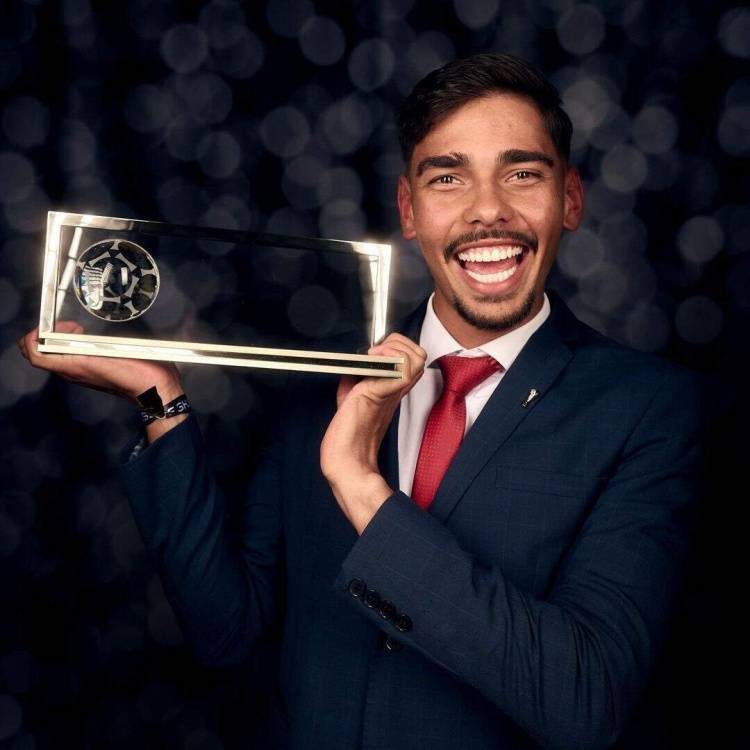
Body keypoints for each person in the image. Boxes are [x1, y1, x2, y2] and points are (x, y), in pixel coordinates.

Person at [19, 53, 703, 748]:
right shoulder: (317, 379)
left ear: (571, 199)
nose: (488, 210)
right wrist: (159, 400)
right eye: (448, 178)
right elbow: (227, 634)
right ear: (409, 209)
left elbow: (584, 700)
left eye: (522, 174)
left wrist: (359, 484)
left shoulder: (649, 409)